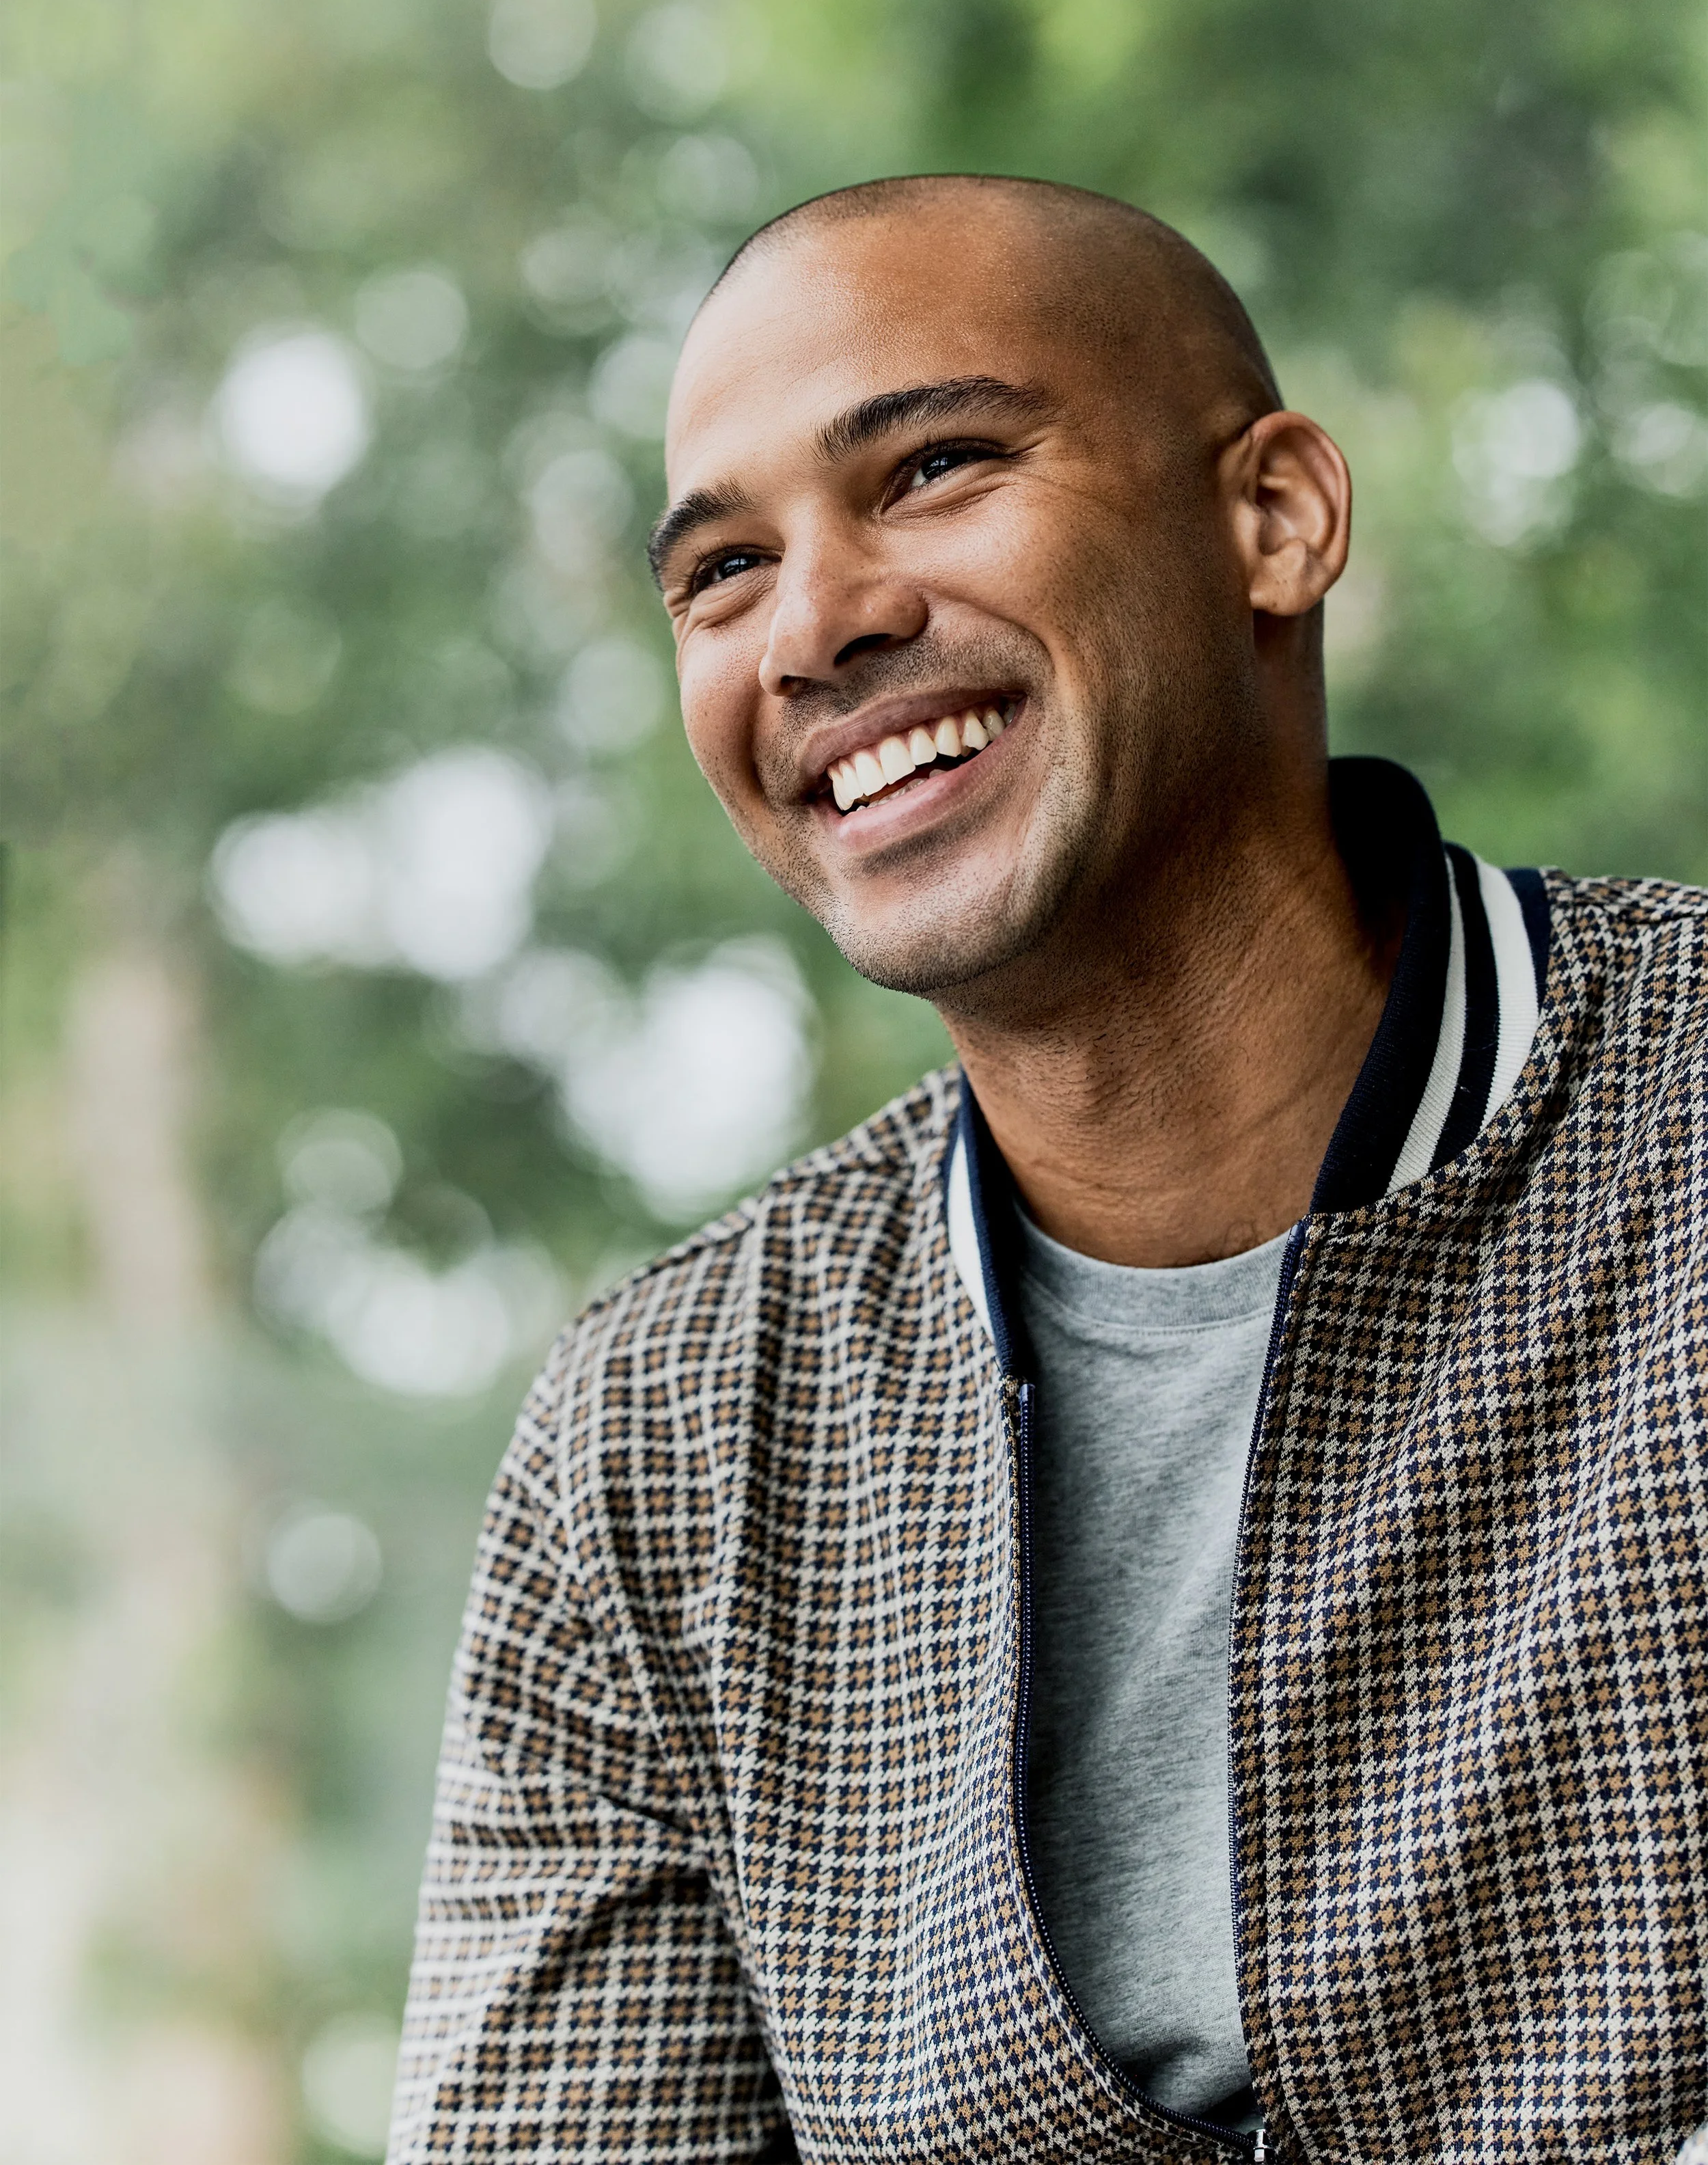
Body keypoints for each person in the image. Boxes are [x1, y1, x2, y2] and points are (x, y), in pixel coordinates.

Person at [388, 177, 1707, 2162]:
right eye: (721, 572)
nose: (817, 622)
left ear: (1272, 519)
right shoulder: (656, 1440)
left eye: (929, 467)